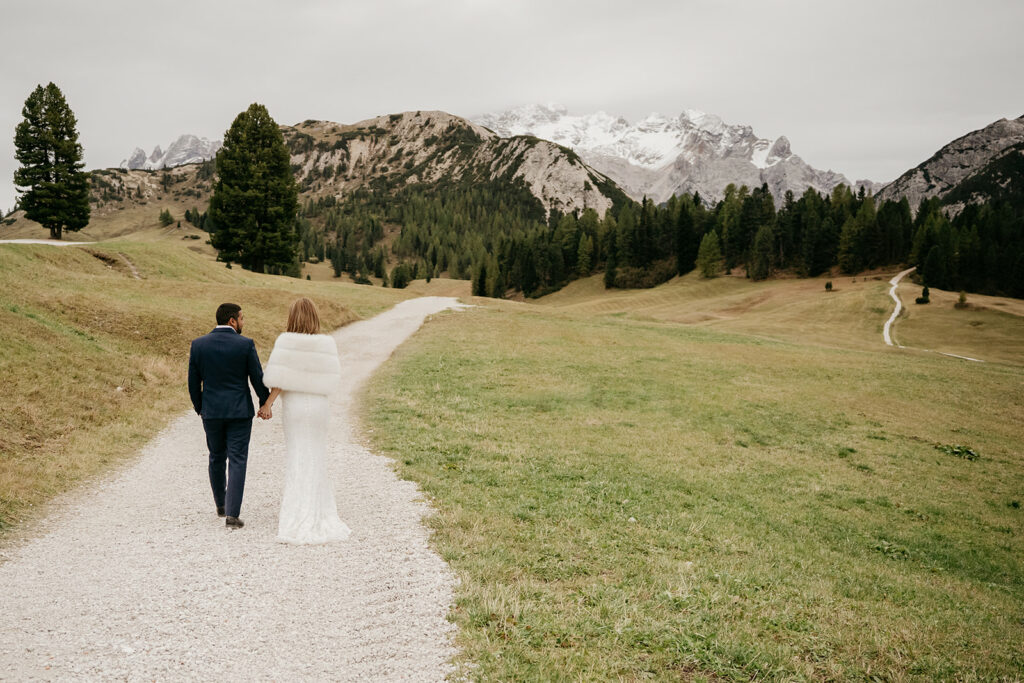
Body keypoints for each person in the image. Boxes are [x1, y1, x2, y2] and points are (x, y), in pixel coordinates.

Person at [260, 297, 351, 544]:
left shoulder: (285, 341)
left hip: (296, 407)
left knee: (298, 455)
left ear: (292, 317)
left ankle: (297, 512)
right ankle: (319, 509)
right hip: (319, 406)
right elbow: (333, 379)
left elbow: (277, 379)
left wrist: (268, 403)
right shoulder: (327, 343)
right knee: (317, 455)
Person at [188, 303, 271, 529]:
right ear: (232, 320)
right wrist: (265, 402)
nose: (244, 322)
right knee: (237, 459)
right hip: (239, 412)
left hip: (211, 412)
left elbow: (193, 383)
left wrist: (200, 408)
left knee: (216, 456)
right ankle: (232, 515)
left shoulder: (199, 345)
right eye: (242, 318)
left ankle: (221, 505)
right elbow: (257, 377)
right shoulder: (245, 345)